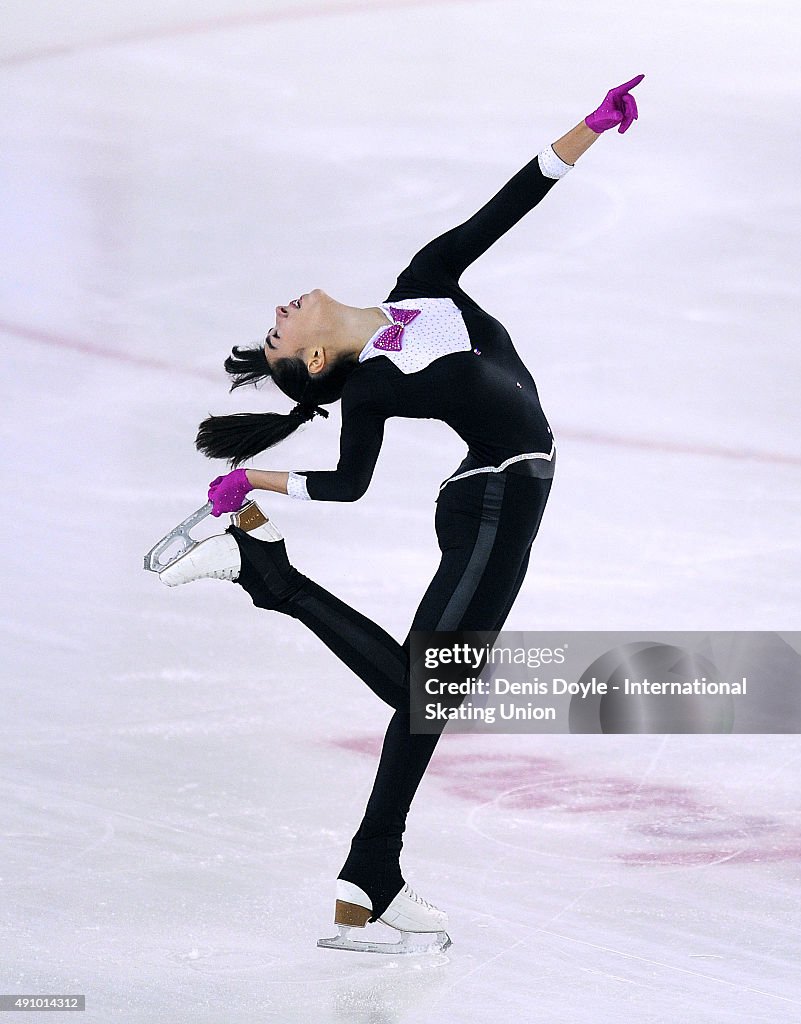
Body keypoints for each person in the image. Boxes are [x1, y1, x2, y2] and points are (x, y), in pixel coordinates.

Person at [157, 76, 644, 951]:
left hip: (493, 495)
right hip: (493, 500)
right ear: (315, 353)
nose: (277, 313)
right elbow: (349, 486)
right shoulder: (373, 387)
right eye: (277, 333)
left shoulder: (424, 281)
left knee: (426, 697)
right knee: (422, 692)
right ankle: (266, 574)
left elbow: (509, 204)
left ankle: (368, 877)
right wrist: (259, 482)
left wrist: (592, 127)